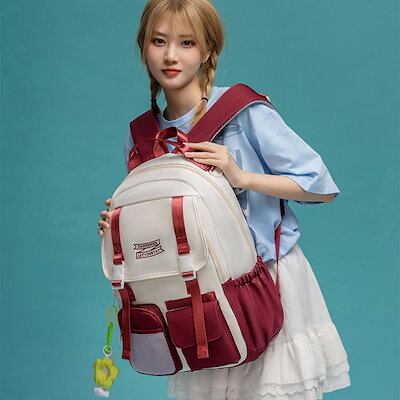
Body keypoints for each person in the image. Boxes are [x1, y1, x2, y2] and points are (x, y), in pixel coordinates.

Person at [97, 1, 351, 399]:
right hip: (198, 298)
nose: (170, 55)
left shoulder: (240, 112)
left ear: (208, 51)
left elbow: (321, 187)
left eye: (187, 43)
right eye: (159, 41)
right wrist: (120, 228)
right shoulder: (142, 136)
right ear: (143, 47)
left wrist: (240, 176)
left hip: (266, 283)